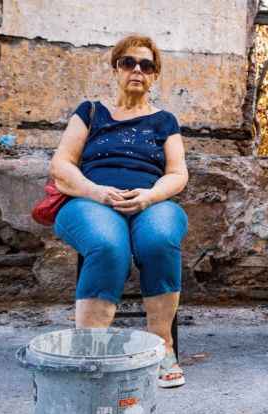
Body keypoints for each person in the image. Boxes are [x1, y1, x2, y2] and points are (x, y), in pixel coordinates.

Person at [49, 35, 188, 388]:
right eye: (129, 63)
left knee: (159, 239)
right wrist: (97, 192)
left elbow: (177, 174)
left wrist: (149, 196)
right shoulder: (90, 112)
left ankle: (162, 346)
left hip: (149, 201)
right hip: (90, 201)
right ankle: (90, 350)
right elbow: (61, 165)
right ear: (115, 69)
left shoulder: (165, 121)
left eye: (147, 65)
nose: (137, 70)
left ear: (155, 75)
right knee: (110, 245)